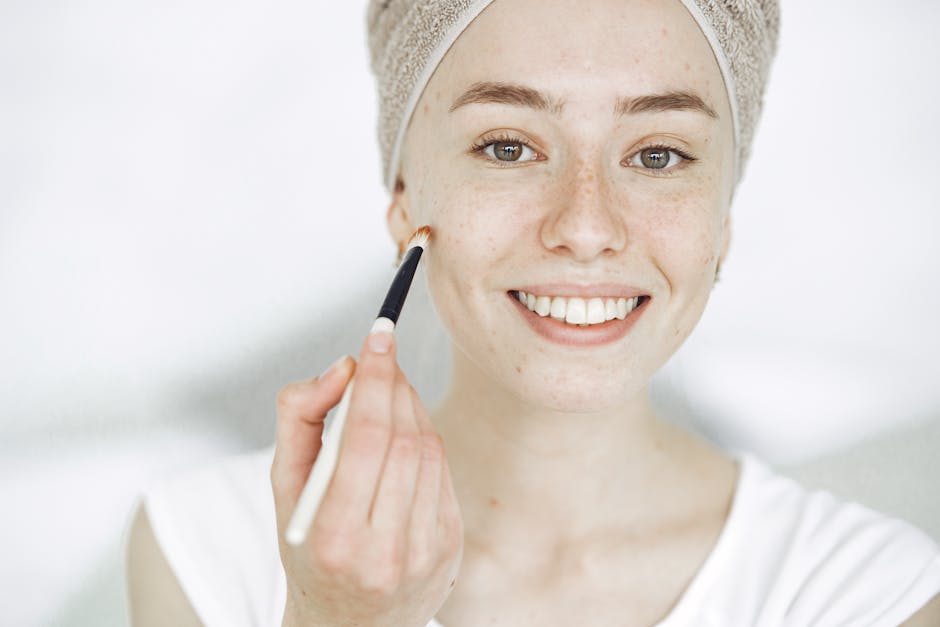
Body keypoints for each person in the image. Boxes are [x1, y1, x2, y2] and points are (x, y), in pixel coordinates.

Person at [125, 0, 940, 625]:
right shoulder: (203, 546)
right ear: (406, 201)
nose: (585, 227)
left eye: (659, 155)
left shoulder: (872, 596)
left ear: (722, 221)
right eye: (508, 147)